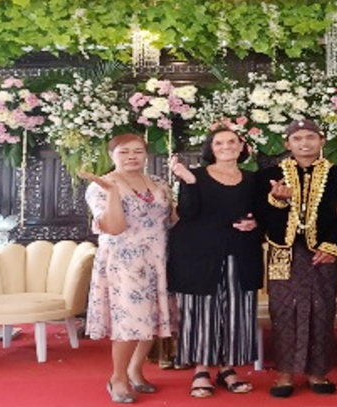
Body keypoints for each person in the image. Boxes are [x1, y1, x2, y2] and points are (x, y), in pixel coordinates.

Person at [255, 119, 337, 398]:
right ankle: (285, 373)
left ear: (322, 141)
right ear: (287, 144)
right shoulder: (268, 176)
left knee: (321, 309)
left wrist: (333, 246)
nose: (304, 143)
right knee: (283, 310)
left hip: (322, 251)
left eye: (310, 137)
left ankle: (317, 372)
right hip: (283, 251)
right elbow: (261, 216)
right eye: (297, 138)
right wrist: (279, 201)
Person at [167, 127, 264, 398]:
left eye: (232, 141)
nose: (226, 146)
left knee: (236, 312)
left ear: (241, 146)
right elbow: (187, 213)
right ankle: (201, 370)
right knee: (201, 312)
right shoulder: (195, 175)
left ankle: (227, 368)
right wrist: (188, 182)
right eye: (219, 143)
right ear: (211, 148)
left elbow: (262, 214)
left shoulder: (252, 179)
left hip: (240, 254)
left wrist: (255, 223)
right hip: (198, 256)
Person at [82, 133, 174, 404]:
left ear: (146, 154)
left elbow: (171, 219)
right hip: (124, 261)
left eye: (138, 151)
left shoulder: (158, 182)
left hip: (157, 258)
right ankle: (118, 378)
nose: (132, 157)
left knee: (152, 317)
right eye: (124, 152)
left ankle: (135, 370)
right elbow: (114, 227)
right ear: (112, 155)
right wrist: (113, 193)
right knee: (131, 319)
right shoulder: (101, 186)